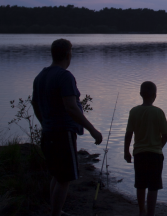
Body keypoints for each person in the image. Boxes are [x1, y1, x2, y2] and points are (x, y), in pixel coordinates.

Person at [32, 38, 103, 216]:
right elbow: (70, 106)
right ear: (68, 54)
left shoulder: (41, 76)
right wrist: (92, 130)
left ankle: (56, 210)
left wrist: (44, 123)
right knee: (65, 179)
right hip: (63, 134)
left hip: (48, 133)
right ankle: (56, 214)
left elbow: (35, 104)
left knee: (57, 175)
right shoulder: (64, 76)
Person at [124, 81, 167, 216]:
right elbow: (165, 135)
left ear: (140, 94)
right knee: (153, 186)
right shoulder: (158, 112)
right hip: (155, 155)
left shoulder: (134, 111)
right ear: (155, 95)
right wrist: (158, 147)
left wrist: (126, 151)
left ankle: (141, 211)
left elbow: (128, 134)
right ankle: (150, 213)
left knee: (140, 184)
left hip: (139, 154)